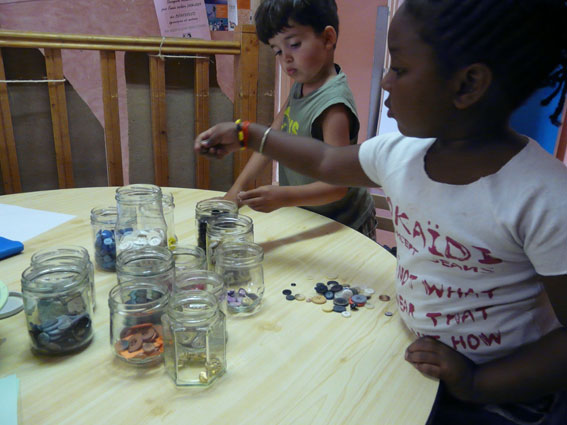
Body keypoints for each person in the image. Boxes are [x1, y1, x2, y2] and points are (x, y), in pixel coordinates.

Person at [195, 0, 567, 423]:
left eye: (401, 69)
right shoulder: (398, 155)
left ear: (467, 85)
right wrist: (248, 132)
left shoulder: (546, 198)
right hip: (415, 360)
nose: (385, 80)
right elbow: (325, 161)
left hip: (502, 396)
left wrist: (477, 383)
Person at [223, 0, 377, 240]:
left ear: (327, 38)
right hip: (312, 215)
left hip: (346, 223)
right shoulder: (301, 85)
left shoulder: (332, 105)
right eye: (277, 50)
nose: (286, 59)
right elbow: (269, 140)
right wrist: (234, 192)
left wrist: (283, 196)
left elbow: (337, 186)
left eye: (294, 45)